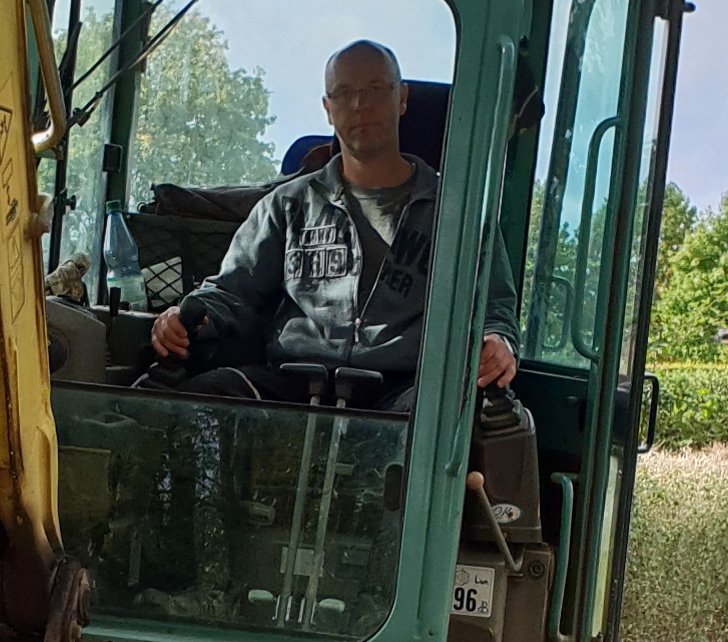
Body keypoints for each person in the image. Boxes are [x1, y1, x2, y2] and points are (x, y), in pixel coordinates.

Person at [148, 40, 517, 399]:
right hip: (291, 381)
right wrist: (184, 315)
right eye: (344, 92)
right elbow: (231, 292)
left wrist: (498, 342)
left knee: (449, 425)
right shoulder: (286, 206)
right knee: (200, 401)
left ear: (401, 98)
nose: (360, 105)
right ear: (328, 108)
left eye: (375, 89)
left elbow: (494, 308)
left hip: (404, 390)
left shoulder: (458, 214)